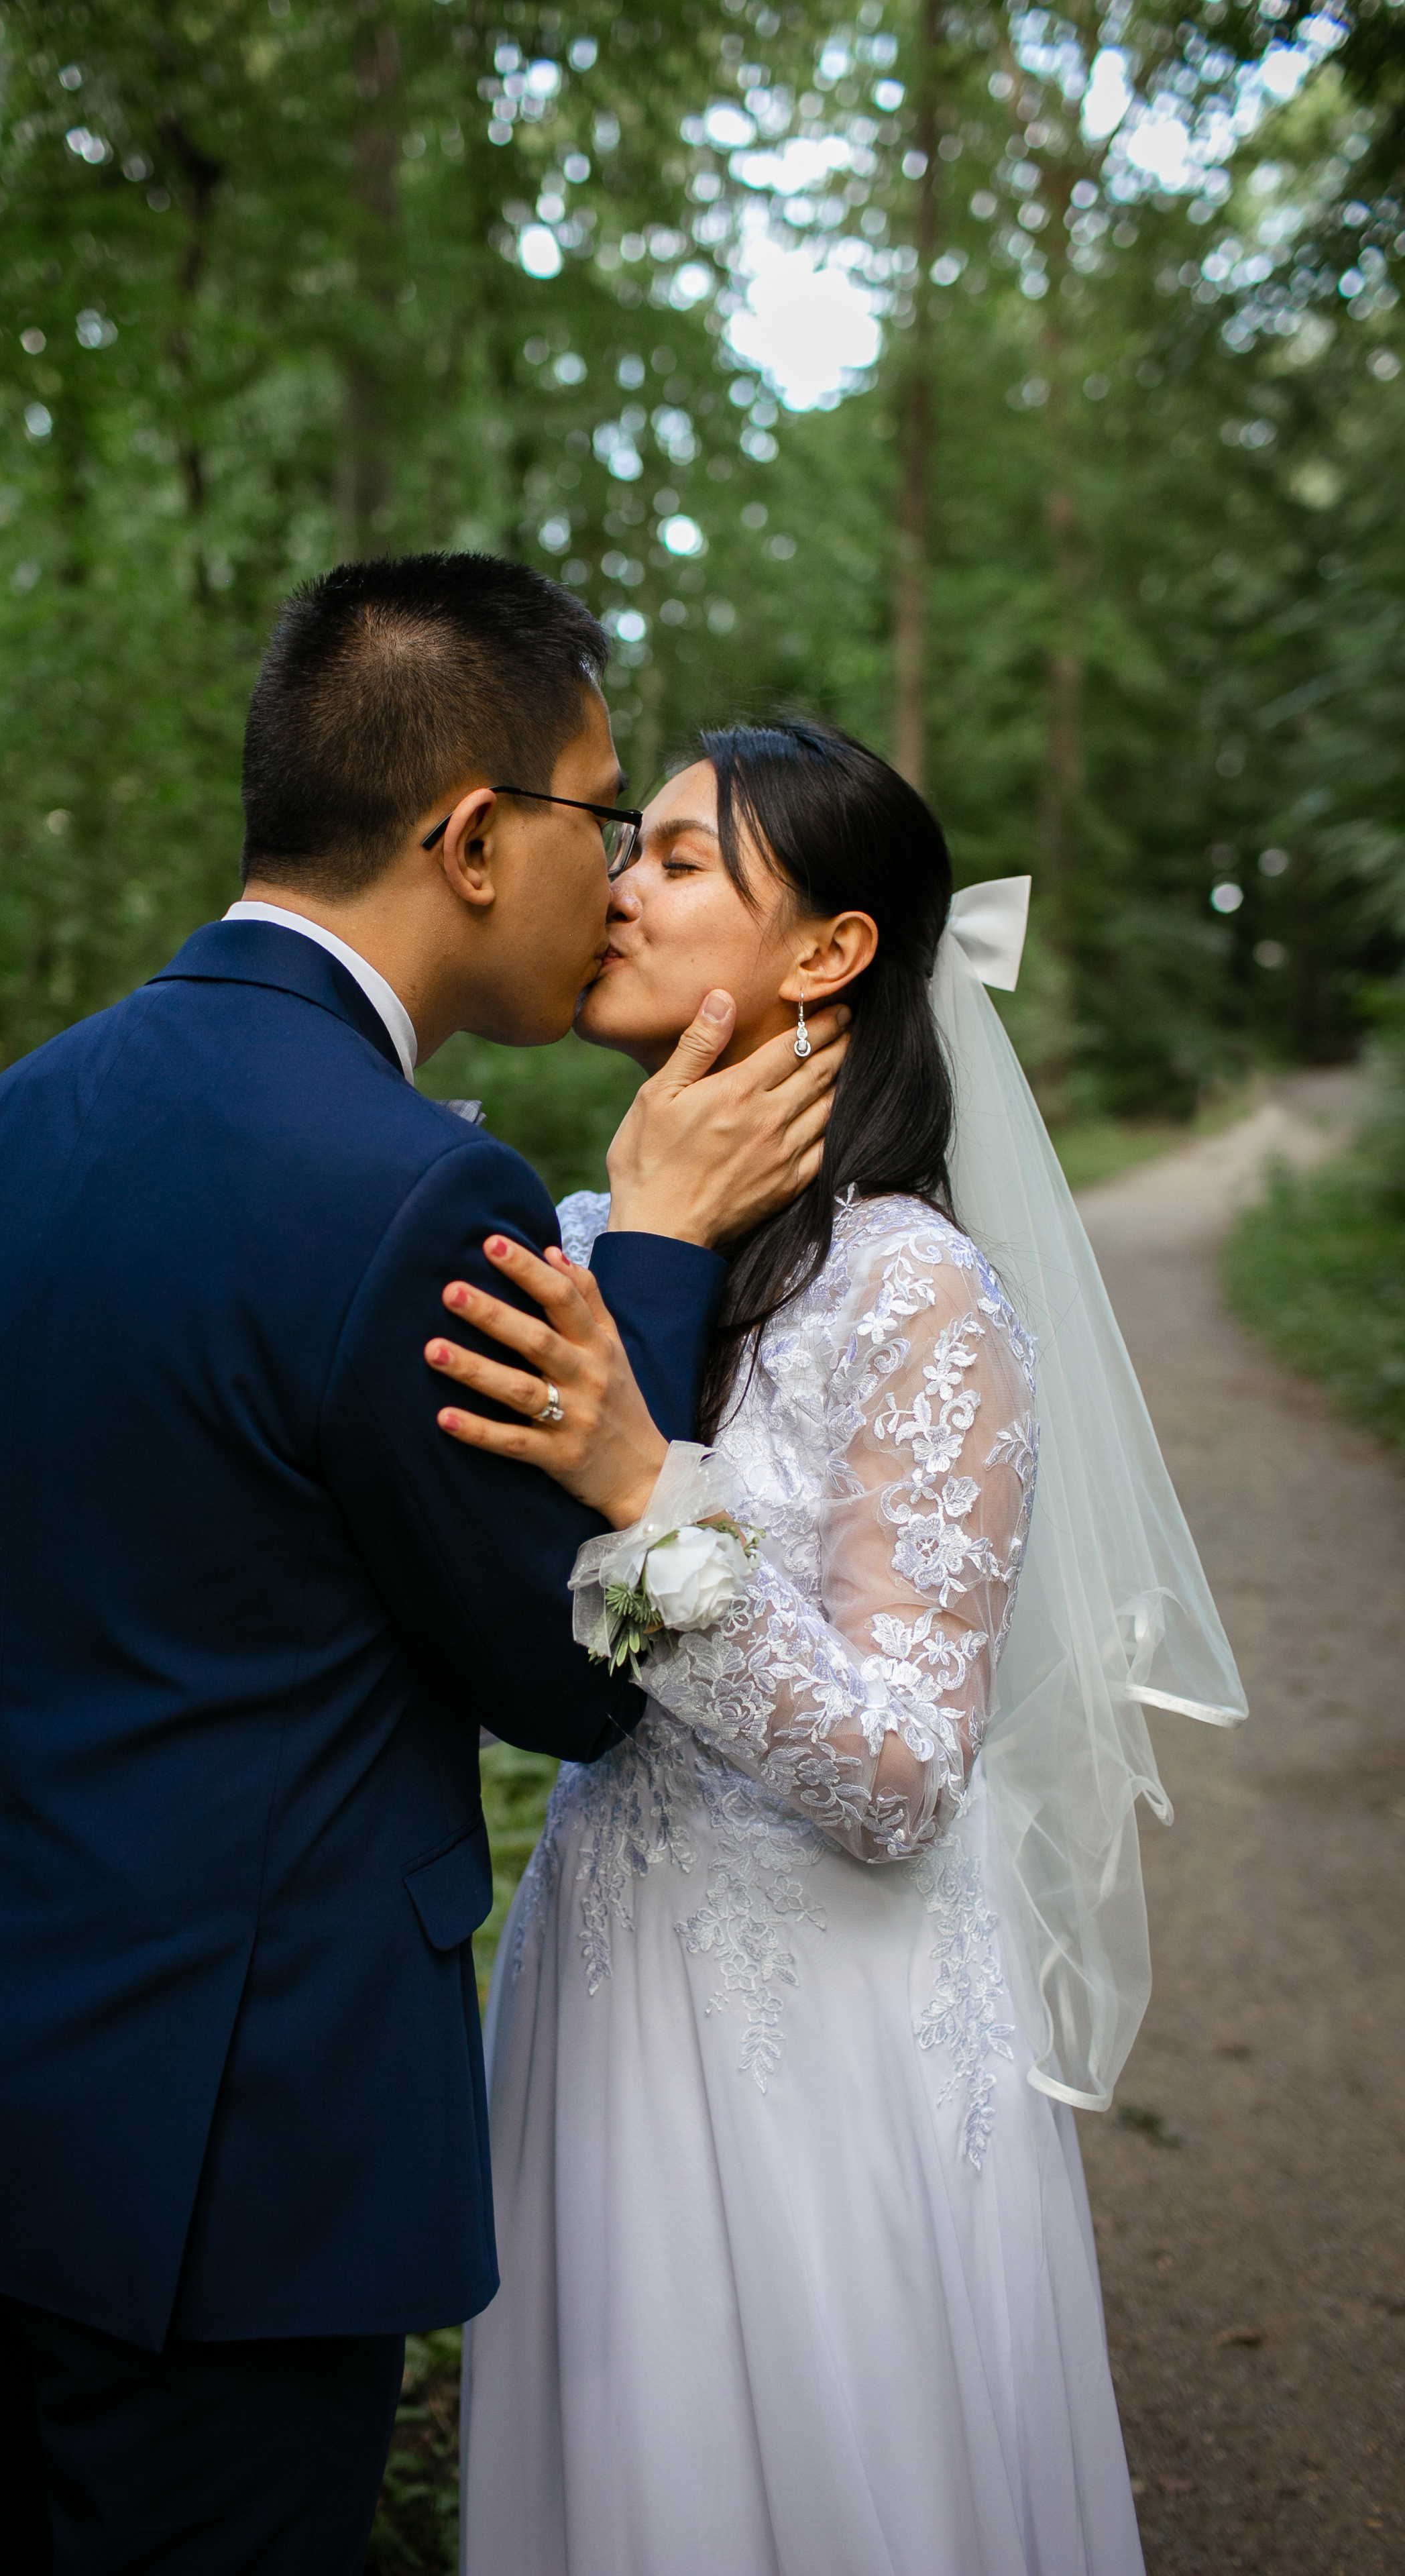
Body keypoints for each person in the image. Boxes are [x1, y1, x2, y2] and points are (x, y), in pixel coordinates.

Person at [0, 559, 847, 2576]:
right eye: (601, 816)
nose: (617, 876)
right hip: (231, 2130)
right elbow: (575, 1673)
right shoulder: (420, 1191)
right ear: (472, 840)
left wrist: (85, 1772)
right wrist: (659, 1258)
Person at [440, 719, 1246, 2576]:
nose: (616, 888)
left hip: (829, 2028)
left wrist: (648, 1493)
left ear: (830, 951)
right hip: (600, 1988)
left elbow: (902, 1777)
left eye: (677, 859)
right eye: (627, 848)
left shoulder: (917, 1291)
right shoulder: (587, 1244)